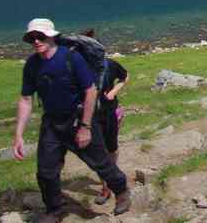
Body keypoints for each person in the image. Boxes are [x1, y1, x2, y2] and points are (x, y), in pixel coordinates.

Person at [13, 19, 130, 222]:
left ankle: (121, 192)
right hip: (51, 123)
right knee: (46, 171)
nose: (36, 41)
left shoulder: (71, 58)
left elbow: (90, 91)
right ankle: (54, 210)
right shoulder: (32, 65)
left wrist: (85, 127)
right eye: (32, 38)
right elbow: (25, 99)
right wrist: (18, 135)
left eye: (40, 36)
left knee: (101, 163)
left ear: (52, 36)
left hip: (78, 120)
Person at [83, 30, 128, 205]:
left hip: (110, 113)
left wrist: (114, 91)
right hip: (90, 118)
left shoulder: (109, 65)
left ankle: (113, 173)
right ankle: (106, 187)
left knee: (112, 148)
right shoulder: (78, 70)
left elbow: (125, 76)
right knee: (99, 153)